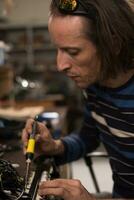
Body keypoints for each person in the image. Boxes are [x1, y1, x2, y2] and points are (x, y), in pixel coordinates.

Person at [22, 0, 134, 199]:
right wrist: (54, 146)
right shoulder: (94, 86)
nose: (60, 65)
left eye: (73, 52)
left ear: (113, 44)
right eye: (58, 49)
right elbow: (88, 138)